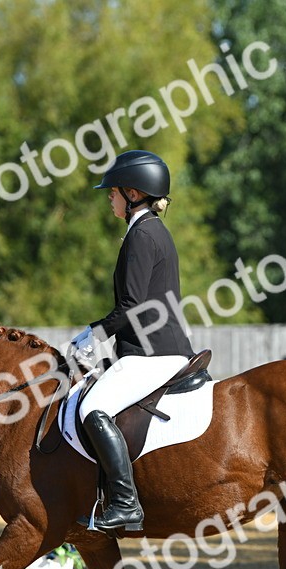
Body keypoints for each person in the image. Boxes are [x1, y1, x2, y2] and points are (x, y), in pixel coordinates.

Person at [69, 150, 195, 533]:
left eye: (114, 191)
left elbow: (132, 305)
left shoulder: (141, 234)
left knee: (92, 407)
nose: (109, 197)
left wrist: (95, 333)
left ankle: (125, 503)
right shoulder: (150, 230)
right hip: (155, 347)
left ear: (134, 193)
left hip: (153, 352)